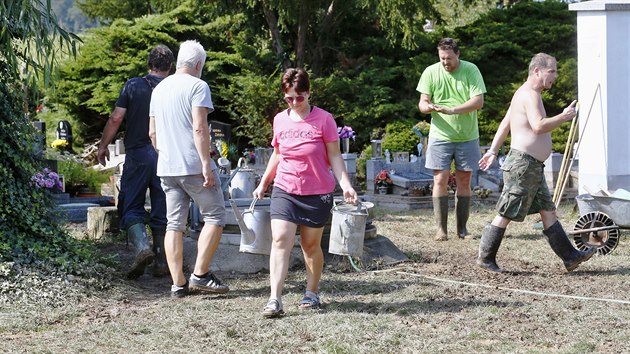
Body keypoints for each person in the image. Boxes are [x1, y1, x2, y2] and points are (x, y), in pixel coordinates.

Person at [253, 68, 358, 318]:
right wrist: (264, 182)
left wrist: (345, 184)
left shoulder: (324, 119)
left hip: (316, 191)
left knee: (310, 245)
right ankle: (274, 299)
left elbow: (334, 155)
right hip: (285, 188)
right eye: (289, 98)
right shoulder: (280, 119)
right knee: (280, 239)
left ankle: (311, 292)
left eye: (299, 97)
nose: (294, 102)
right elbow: (277, 154)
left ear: (309, 93)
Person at [477, 53, 596, 273]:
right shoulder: (529, 94)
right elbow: (538, 126)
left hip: (532, 166)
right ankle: (486, 258)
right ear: (537, 71)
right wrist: (564, 116)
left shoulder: (525, 94)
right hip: (523, 165)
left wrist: (493, 151)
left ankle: (570, 257)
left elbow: (506, 124)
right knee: (506, 211)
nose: (556, 76)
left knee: (547, 211)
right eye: (552, 71)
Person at [149, 40, 229, 298]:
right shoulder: (198, 85)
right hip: (193, 165)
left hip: (167, 167)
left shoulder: (159, 89)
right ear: (197, 64)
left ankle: (178, 284)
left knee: (174, 224)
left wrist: (166, 154)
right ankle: (201, 274)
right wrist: (207, 164)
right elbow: (199, 127)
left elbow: (153, 133)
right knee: (216, 216)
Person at [97, 44, 174, 279]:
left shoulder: (133, 85)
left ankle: (142, 248)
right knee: (164, 207)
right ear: (170, 67)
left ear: (149, 65)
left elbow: (116, 118)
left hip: (138, 154)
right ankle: (162, 261)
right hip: (167, 156)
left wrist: (102, 146)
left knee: (130, 205)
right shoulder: (174, 87)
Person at [417, 38, 486, 241]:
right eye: (442, 58)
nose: (445, 62)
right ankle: (441, 230)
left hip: (467, 136)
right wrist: (428, 107)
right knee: (440, 179)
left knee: (464, 181)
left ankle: (462, 229)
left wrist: (452, 110)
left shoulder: (471, 70)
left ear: (458, 54)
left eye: (448, 58)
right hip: (440, 135)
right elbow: (422, 102)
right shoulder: (431, 71)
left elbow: (478, 101)